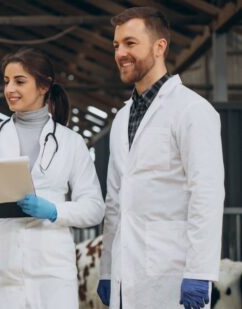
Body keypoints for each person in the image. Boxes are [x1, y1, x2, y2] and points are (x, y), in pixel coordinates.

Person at [0, 48, 105, 308]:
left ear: (44, 86)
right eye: (6, 81)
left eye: (20, 81)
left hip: (49, 275)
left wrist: (54, 210)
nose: (10, 89)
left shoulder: (70, 143)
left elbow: (94, 208)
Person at [97, 7, 225, 309]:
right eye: (116, 45)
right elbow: (114, 203)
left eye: (130, 43)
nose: (120, 53)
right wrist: (106, 269)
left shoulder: (191, 110)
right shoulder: (121, 118)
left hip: (173, 274)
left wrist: (199, 272)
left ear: (160, 46)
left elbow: (206, 194)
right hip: (124, 278)